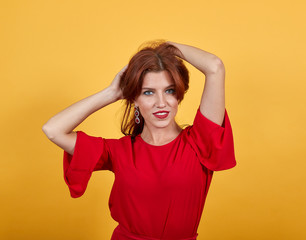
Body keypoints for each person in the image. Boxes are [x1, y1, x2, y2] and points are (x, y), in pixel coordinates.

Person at [42, 40, 236, 240]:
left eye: (169, 90)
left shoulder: (200, 142)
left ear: (179, 95)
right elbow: (53, 130)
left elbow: (215, 67)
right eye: (148, 92)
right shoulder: (118, 151)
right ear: (134, 98)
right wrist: (111, 93)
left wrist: (166, 48)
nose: (161, 103)